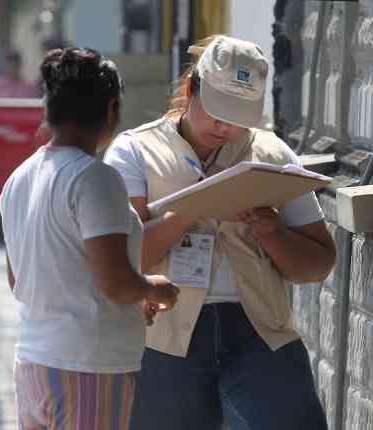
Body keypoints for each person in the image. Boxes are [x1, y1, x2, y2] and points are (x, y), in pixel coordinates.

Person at [104, 35, 336, 430]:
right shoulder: (134, 151)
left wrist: (274, 233)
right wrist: (186, 212)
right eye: (216, 111)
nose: (224, 126)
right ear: (192, 88)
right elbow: (124, 261)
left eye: (236, 115)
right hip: (164, 336)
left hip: (259, 330)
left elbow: (318, 264)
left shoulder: (273, 154)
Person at [0, 47, 179, 430]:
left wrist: (131, 296)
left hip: (33, 363)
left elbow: (20, 281)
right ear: (111, 108)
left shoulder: (19, 178)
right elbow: (115, 285)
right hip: (87, 367)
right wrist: (155, 289)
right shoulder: (94, 179)